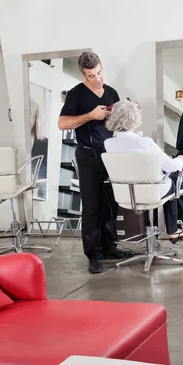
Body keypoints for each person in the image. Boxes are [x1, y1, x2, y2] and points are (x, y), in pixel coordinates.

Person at [58, 52, 132, 274]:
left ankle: (109, 248)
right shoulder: (76, 95)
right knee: (91, 206)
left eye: (99, 73)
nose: (97, 78)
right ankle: (94, 255)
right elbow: (62, 124)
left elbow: (119, 124)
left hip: (111, 154)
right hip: (87, 155)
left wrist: (128, 113)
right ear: (83, 74)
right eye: (92, 75)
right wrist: (90, 115)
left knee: (111, 204)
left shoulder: (111, 92)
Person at [104, 100, 183, 239]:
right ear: (134, 119)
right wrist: (181, 159)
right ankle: (177, 223)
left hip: (125, 194)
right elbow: (169, 166)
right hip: (149, 192)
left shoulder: (109, 143)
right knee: (173, 177)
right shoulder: (144, 142)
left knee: (169, 176)